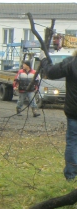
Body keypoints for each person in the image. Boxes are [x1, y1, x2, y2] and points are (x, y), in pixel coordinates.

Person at [41, 51, 77, 181]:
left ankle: (71, 175)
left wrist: (44, 60)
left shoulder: (72, 62)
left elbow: (51, 72)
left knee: (73, 142)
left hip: (74, 112)